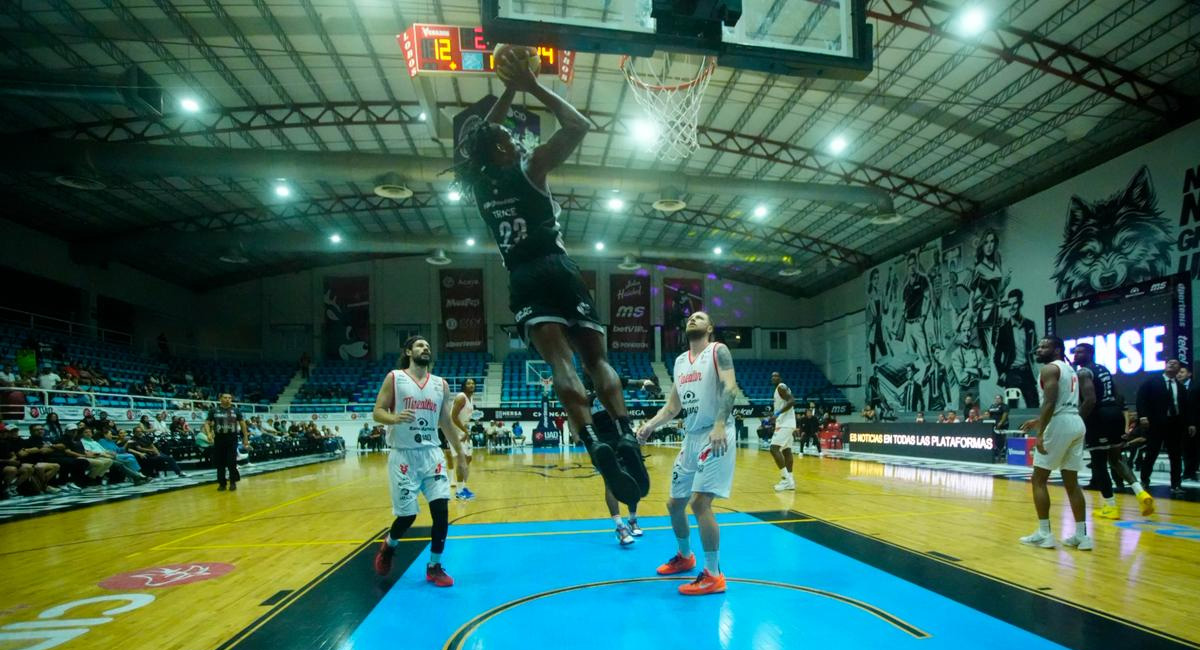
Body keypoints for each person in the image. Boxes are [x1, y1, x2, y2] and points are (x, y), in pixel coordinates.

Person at [453, 55, 646, 505]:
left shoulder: (480, 185)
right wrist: (531, 86)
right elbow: (578, 126)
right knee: (596, 360)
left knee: (560, 364)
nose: (515, 139)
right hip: (558, 268)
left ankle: (593, 444)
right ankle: (623, 433)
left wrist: (508, 92)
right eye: (508, 138)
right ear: (502, 150)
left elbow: (481, 137)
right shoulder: (529, 168)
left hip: (523, 279)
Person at [637, 312, 738, 596]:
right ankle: (685, 557)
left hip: (716, 433)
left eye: (700, 317)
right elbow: (672, 408)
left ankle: (714, 574)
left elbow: (730, 387)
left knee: (700, 503)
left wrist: (719, 424)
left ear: (710, 328)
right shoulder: (681, 362)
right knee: (674, 504)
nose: (694, 318)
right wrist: (649, 427)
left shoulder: (718, 350)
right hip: (691, 437)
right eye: (691, 317)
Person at [371, 336, 465, 587]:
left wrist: (460, 454)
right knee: (407, 517)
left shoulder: (440, 384)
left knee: (441, 513)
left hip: (431, 454)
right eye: (420, 345)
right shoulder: (395, 377)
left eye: (428, 346)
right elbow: (377, 411)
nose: (426, 348)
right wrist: (395, 418)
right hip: (403, 455)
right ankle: (389, 545)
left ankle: (434, 566)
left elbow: (445, 421)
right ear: (408, 351)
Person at [1018, 337, 1092, 551]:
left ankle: (1045, 533)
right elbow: (1062, 403)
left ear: (1057, 350)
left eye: (1044, 346)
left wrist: (1041, 433)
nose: (1039, 349)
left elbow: (1051, 401)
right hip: (1076, 422)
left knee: (1038, 479)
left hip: (1059, 423)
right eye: (1039, 346)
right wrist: (1039, 420)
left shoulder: (1049, 369)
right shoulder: (1070, 370)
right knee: (1072, 482)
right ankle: (1082, 536)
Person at [1074, 342, 1153, 518]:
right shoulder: (1103, 369)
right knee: (1116, 459)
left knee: (1099, 463)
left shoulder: (1083, 372)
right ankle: (1141, 493)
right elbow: (1117, 395)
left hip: (1099, 417)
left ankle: (1110, 506)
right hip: (1114, 413)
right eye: (1075, 352)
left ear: (1090, 353)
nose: (1076, 355)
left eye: (1080, 352)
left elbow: (1090, 400)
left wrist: (1077, 420)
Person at [584, 372, 659, 545]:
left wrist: (646, 383)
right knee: (611, 482)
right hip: (602, 442)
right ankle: (619, 526)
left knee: (633, 476)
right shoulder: (583, 392)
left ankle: (632, 520)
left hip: (623, 436)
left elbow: (637, 381)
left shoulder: (611, 380)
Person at [1135, 358, 1193, 495]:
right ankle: (1144, 481)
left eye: (1175, 363)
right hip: (1156, 424)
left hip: (1175, 424)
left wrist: (1190, 423)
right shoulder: (1153, 381)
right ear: (1165, 366)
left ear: (1179, 369)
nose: (1172, 363)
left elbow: (1185, 407)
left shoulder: (1180, 386)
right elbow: (1141, 398)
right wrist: (1143, 416)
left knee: (1176, 455)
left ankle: (1176, 485)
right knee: (1151, 453)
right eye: (1169, 362)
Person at [994, 289, 1039, 408]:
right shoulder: (1004, 329)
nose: (1012, 307)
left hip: (1027, 371)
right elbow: (997, 356)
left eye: (1015, 303)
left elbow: (1033, 347)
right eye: (1010, 304)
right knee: (1012, 406)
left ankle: (1034, 426)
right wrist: (1002, 373)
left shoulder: (1030, 325)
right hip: (1012, 373)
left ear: (1020, 303)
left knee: (1034, 404)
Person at [205, 393, 250, 491]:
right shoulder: (214, 410)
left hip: (232, 438)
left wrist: (245, 437)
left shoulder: (236, 410)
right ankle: (222, 483)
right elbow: (207, 423)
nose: (228, 399)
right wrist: (208, 433)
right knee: (220, 463)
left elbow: (242, 424)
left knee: (231, 462)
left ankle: (233, 482)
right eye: (225, 398)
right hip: (219, 438)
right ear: (220, 399)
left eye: (229, 398)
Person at [768, 372, 797, 491]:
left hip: (785, 424)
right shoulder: (779, 389)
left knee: (773, 448)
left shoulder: (781, 387)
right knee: (786, 451)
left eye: (776, 376)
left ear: (780, 378)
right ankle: (790, 480)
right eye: (772, 376)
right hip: (787, 423)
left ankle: (786, 480)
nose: (774, 378)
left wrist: (777, 414)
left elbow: (792, 401)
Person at [450, 378, 477, 501]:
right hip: (455, 432)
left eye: (472, 383)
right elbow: (453, 417)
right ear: (464, 386)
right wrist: (465, 431)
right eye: (468, 383)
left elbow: (463, 418)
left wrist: (467, 431)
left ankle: (463, 487)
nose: (471, 385)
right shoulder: (461, 397)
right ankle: (459, 492)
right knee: (461, 461)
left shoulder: (471, 398)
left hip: (463, 431)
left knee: (468, 459)